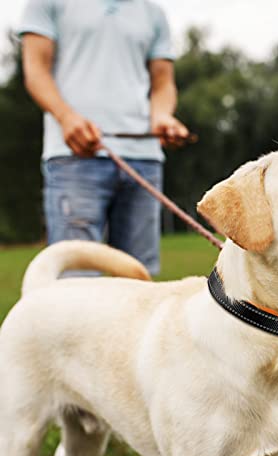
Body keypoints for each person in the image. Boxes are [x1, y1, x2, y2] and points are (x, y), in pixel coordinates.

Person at [19, 0, 189, 275]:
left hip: (144, 159)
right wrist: (66, 117)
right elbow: (36, 69)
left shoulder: (153, 12)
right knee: (75, 280)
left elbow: (162, 82)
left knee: (139, 280)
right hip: (73, 157)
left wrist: (162, 116)